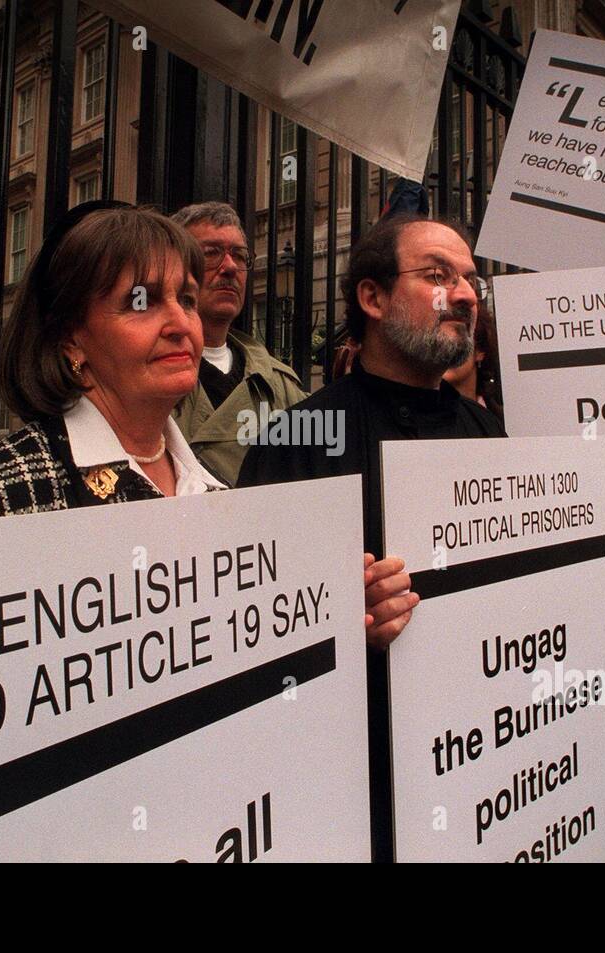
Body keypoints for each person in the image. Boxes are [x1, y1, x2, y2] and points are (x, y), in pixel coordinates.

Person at [238, 213, 505, 861]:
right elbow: (250, 635)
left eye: (470, 279)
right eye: (438, 275)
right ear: (372, 297)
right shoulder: (294, 440)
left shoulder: (490, 434)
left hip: (485, 768)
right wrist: (345, 622)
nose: (466, 294)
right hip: (351, 792)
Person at [0, 203, 225, 520]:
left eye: (187, 300)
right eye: (142, 302)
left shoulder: (216, 487)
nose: (181, 325)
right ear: (70, 339)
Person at [169, 202, 305, 486]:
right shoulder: (148, 372)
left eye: (240, 256)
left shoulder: (281, 386)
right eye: (211, 253)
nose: (230, 267)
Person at [442, 305, 503, 425]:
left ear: (479, 350)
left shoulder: (502, 420)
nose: (444, 352)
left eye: (455, 341)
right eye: (436, 343)